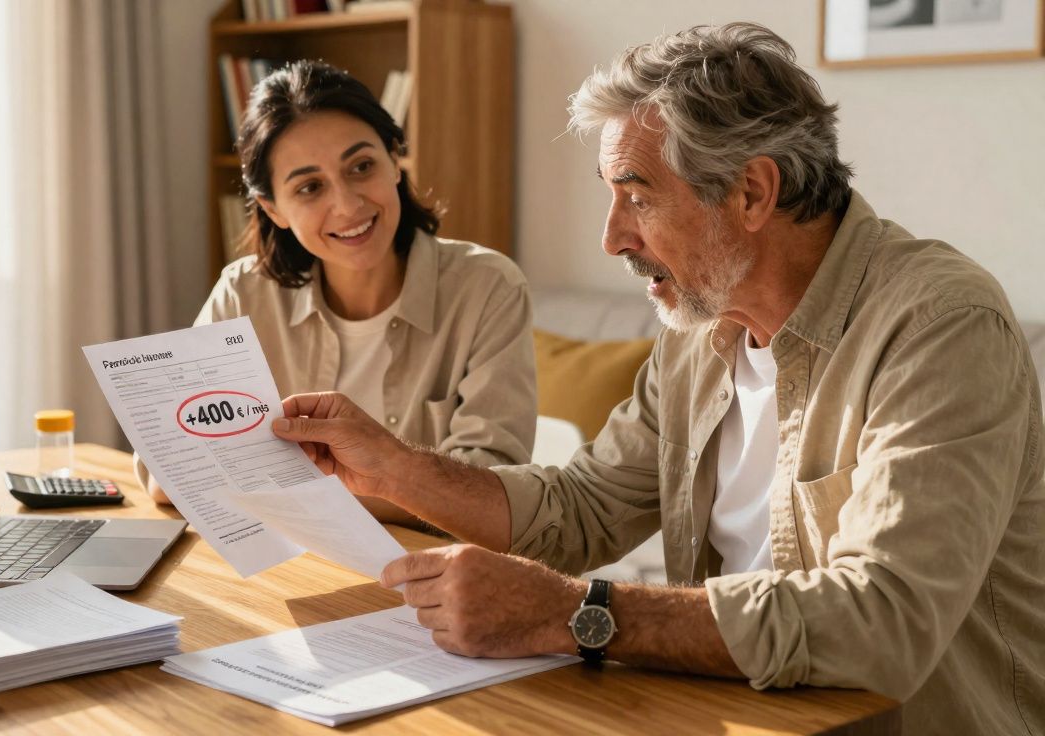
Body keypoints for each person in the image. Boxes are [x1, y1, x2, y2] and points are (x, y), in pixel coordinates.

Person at [270, 23, 1044, 735]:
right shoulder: (700, 328)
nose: (612, 237)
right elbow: (578, 512)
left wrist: (577, 613)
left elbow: (883, 623)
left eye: (636, 196)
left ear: (751, 192)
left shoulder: (940, 325)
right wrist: (395, 467)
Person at [137, 60, 536, 525]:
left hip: (430, 574)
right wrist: (407, 490)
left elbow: (489, 493)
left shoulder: (488, 288)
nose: (347, 206)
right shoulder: (244, 292)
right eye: (309, 187)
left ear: (395, 161)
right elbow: (165, 473)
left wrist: (275, 486)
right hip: (289, 570)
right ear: (273, 208)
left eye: (362, 166)